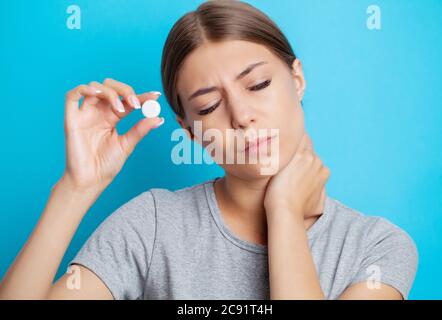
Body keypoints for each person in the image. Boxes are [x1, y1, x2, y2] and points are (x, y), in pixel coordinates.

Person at [0, 0, 417, 300]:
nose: (241, 116)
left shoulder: (378, 248)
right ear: (191, 130)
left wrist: (284, 213)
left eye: (257, 85)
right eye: (209, 106)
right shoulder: (153, 225)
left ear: (298, 78)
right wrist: (76, 188)